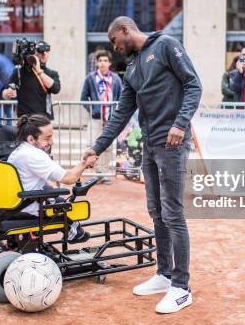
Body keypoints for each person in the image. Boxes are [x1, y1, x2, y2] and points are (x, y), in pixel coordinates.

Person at [82, 16, 202, 314]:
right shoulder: (133, 67)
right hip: (150, 145)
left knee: (173, 212)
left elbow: (193, 85)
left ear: (125, 30)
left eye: (114, 41)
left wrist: (180, 123)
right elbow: (121, 115)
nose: (115, 47)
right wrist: (96, 148)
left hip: (172, 143)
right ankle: (164, 275)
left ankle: (181, 287)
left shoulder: (166, 46)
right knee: (156, 210)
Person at [7, 114, 97, 243]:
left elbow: (37, 177)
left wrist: (52, 188)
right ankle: (75, 232)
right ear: (31, 139)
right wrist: (84, 163)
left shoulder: (21, 150)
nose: (52, 142)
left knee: (57, 197)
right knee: (64, 204)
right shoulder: (34, 155)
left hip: (18, 200)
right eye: (47, 138)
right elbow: (69, 178)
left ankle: (73, 230)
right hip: (28, 205)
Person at [80, 50, 123, 180]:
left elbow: (121, 98)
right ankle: (97, 172)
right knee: (94, 144)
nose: (102, 63)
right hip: (96, 118)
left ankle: (104, 172)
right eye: (100, 61)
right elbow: (83, 98)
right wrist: (93, 110)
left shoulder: (115, 78)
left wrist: (116, 112)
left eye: (105, 61)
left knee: (108, 146)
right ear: (97, 63)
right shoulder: (90, 78)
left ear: (110, 63)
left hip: (111, 119)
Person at [2, 41, 60, 119]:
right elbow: (5, 92)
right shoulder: (20, 71)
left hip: (43, 118)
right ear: (35, 52)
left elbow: (56, 89)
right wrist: (7, 93)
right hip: (25, 119)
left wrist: (39, 71)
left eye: (47, 51)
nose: (44, 54)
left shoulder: (51, 73)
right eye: (41, 51)